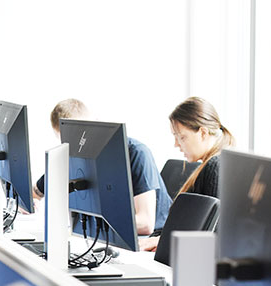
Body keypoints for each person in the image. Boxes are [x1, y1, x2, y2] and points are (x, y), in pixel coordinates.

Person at [32, 98, 172, 235]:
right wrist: (32, 198)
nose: (75, 148)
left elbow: (145, 223)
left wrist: (94, 224)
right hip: (107, 237)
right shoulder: (75, 156)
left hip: (151, 240)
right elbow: (36, 192)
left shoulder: (136, 152)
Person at [139, 96, 234, 251]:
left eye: (181, 137)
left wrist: (162, 241)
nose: (176, 144)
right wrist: (157, 239)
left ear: (203, 133)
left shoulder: (215, 166)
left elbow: (209, 232)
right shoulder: (210, 164)